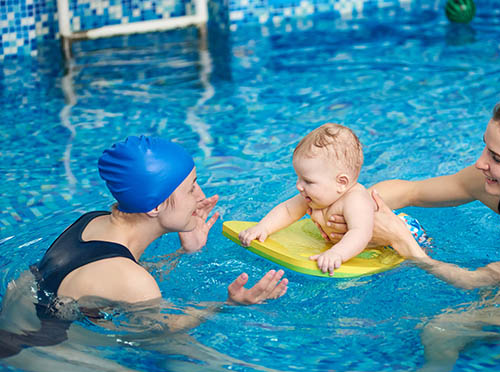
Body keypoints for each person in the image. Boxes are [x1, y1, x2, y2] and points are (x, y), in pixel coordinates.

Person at [324, 96, 500, 372]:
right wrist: (346, 208)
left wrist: (404, 243)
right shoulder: (494, 184)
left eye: (496, 158)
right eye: (486, 146)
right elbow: (411, 192)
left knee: (443, 328)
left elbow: (474, 281)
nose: (481, 162)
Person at [1, 135, 288, 360]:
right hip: (37, 347)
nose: (201, 197)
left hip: (19, 320)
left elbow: (105, 280)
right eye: (191, 188)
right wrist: (227, 305)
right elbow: (157, 333)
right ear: (155, 206)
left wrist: (184, 253)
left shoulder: (93, 221)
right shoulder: (133, 280)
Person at [239, 123, 375, 276]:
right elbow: (288, 210)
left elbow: (360, 233)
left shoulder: (355, 200)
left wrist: (337, 254)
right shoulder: (316, 195)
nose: (298, 186)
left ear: (341, 183)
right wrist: (262, 228)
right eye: (298, 178)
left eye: (308, 181)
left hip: (373, 253)